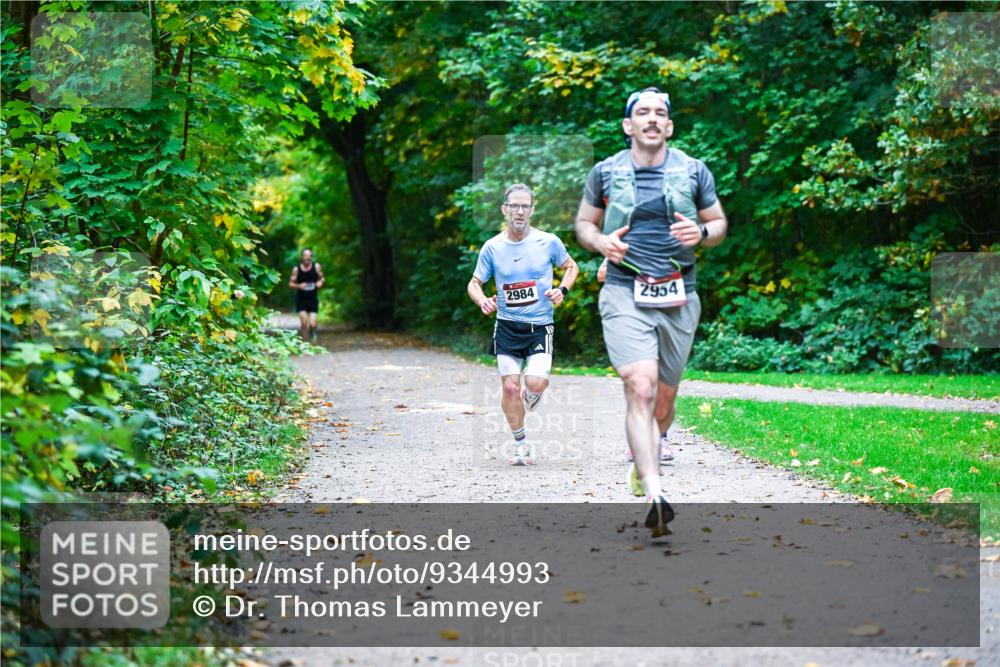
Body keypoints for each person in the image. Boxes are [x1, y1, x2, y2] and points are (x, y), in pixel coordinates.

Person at [575, 88, 728, 535]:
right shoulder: (605, 172)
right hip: (624, 288)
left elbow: (717, 223)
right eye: (642, 113)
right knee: (639, 387)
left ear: (670, 126)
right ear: (628, 125)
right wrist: (600, 242)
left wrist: (701, 232)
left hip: (680, 294)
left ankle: (646, 462)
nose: (652, 119)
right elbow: (584, 223)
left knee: (663, 400)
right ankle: (657, 494)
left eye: (661, 113)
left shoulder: (694, 171)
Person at [468, 183, 579, 466]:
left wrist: (561, 291)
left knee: (536, 382)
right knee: (508, 388)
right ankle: (522, 444)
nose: (519, 211)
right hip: (506, 325)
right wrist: (482, 300)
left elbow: (571, 267)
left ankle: (530, 395)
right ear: (504, 209)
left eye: (525, 206)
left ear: (533, 209)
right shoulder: (492, 247)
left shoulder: (549, 241)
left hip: (540, 326)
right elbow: (474, 283)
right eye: (514, 206)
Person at [289, 249, 324, 341]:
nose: (307, 258)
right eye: (305, 255)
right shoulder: (296, 269)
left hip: (313, 298)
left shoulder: (316, 267)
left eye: (309, 256)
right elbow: (291, 283)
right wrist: (299, 285)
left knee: (312, 323)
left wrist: (320, 283)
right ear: (302, 257)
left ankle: (313, 332)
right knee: (304, 323)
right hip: (301, 299)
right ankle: (305, 344)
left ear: (311, 257)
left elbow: (322, 278)